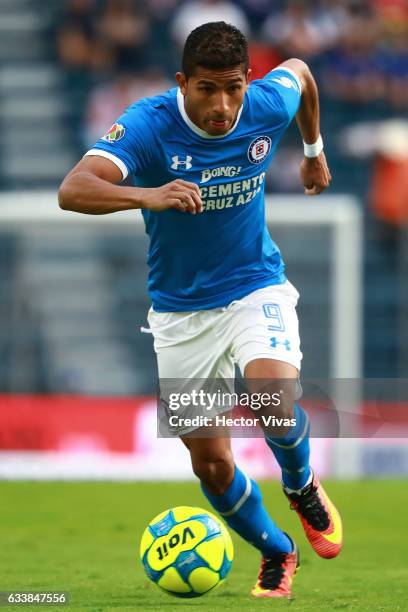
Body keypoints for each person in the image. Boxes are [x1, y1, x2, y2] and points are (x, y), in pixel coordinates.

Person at [58, 21, 343, 599]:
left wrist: (313, 151)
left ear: (248, 82)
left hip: (254, 286)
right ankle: (277, 551)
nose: (222, 105)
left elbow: (303, 73)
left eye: (234, 88)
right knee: (210, 464)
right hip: (181, 314)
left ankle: (302, 484)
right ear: (182, 82)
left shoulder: (266, 103)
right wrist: (147, 193)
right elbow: (73, 188)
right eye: (207, 89)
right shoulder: (147, 125)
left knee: (273, 400)